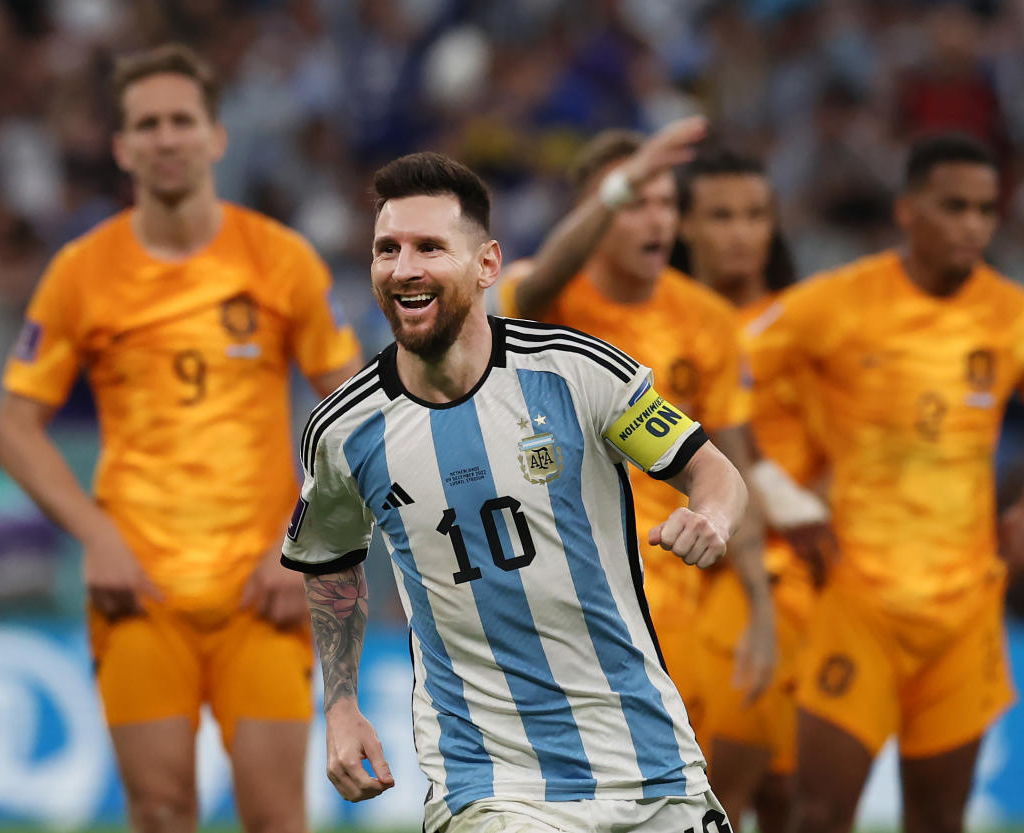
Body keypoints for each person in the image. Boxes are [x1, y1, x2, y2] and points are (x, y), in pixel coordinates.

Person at [282, 151, 746, 833]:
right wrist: (342, 704)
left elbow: (712, 470)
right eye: (388, 248)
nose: (404, 267)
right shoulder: (345, 429)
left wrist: (711, 516)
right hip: (490, 781)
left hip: (651, 759)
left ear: (487, 265)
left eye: (430, 247)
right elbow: (330, 562)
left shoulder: (575, 370)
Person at [0, 44, 362, 833]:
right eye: (147, 125)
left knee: (277, 819)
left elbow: (359, 413)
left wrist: (303, 542)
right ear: (122, 147)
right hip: (140, 589)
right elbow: (14, 428)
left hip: (261, 589)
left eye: (181, 121)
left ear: (216, 136)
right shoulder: (82, 271)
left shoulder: (279, 258)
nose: (166, 138)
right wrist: (96, 536)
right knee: (159, 813)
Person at [762, 134, 1024, 833]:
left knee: (940, 819)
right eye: (954, 207)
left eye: (984, 209)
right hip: (858, 597)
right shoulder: (837, 303)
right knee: (817, 814)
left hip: (964, 605)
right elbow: (730, 380)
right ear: (909, 211)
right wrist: (778, 491)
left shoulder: (1018, 317)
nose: (973, 224)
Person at [496, 119, 790, 731]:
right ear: (596, 214)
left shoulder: (706, 320)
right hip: (551, 581)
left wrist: (761, 612)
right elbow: (529, 291)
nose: (654, 220)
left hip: (663, 587)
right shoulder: (546, 298)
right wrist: (620, 184)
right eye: (635, 203)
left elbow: (730, 465)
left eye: (664, 204)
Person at [675, 149, 828, 832]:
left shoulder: (805, 327)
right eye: (721, 216)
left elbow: (846, 454)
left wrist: (801, 505)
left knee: (773, 797)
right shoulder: (663, 322)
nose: (741, 232)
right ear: (684, 227)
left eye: (755, 216)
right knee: (697, 792)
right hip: (672, 571)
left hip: (778, 572)